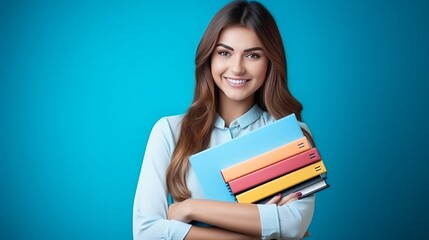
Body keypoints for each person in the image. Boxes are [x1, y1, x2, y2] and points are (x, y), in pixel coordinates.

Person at [133, 1, 317, 239]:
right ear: (209, 58)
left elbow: (293, 225)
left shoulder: (293, 136)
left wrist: (189, 208)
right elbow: (147, 232)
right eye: (224, 53)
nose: (237, 68)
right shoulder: (169, 131)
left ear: (270, 61)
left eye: (252, 55)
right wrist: (263, 229)